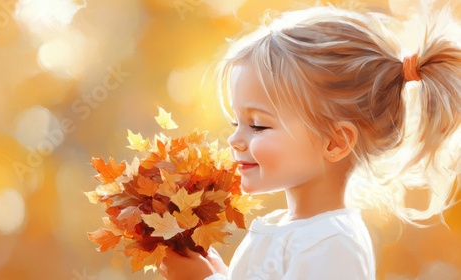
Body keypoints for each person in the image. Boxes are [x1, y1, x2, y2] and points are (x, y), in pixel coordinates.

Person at [159, 6, 461, 280]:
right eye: (236, 123)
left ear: (335, 142)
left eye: (258, 125)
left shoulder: (332, 243)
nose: (235, 139)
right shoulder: (284, 228)